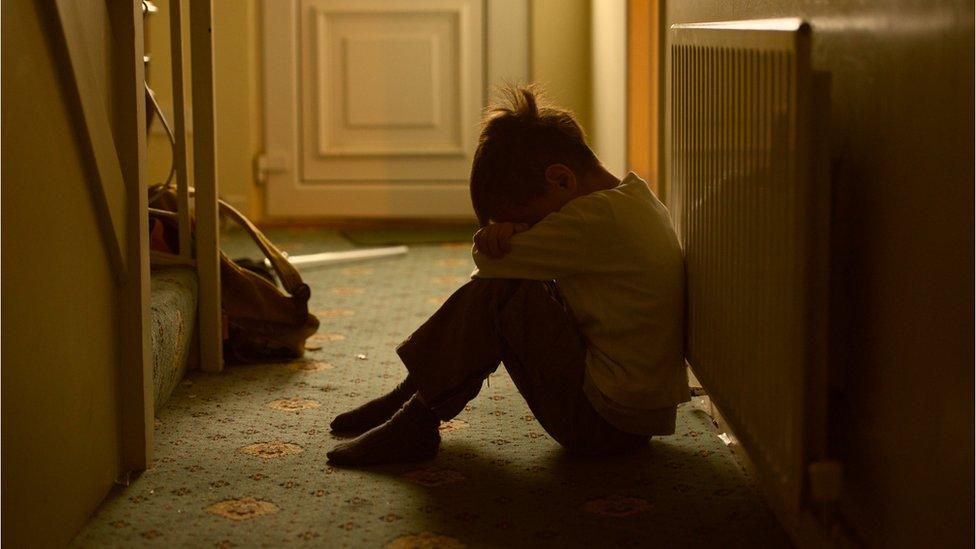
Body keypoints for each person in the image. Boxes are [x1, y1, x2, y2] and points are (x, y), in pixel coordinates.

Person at [326, 84, 687, 466]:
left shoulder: (591, 220)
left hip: (604, 425)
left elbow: (492, 266)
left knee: (505, 290)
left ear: (561, 180)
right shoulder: (632, 201)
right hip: (633, 417)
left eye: (529, 222)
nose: (528, 230)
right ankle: (413, 397)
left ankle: (416, 415)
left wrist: (497, 241)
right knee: (520, 285)